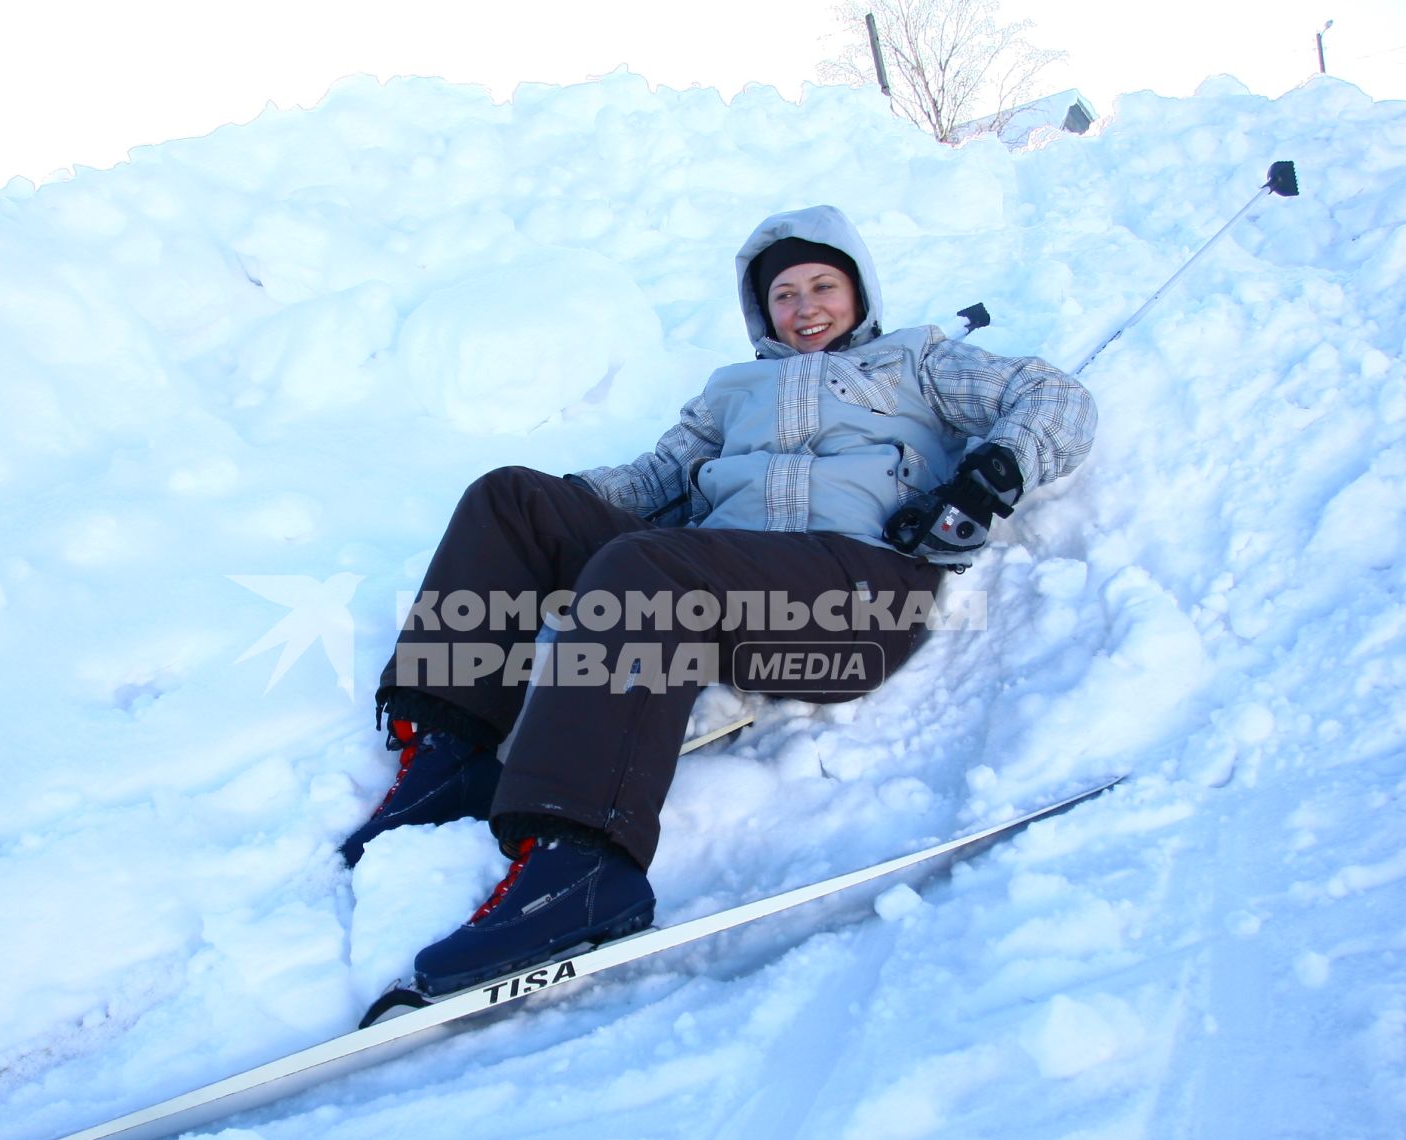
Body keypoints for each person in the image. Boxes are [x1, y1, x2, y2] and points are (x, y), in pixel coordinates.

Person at [342, 205, 1096, 996]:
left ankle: (582, 867)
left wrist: (990, 475)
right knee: (511, 500)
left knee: (650, 566)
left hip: (856, 596)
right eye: (785, 295)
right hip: (722, 580)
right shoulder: (731, 392)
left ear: (860, 291)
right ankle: (446, 759)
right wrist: (557, 513)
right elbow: (651, 484)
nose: (805, 308)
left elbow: (1055, 399)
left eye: (823, 286)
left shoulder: (919, 363)